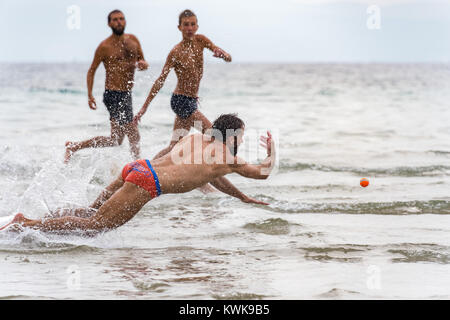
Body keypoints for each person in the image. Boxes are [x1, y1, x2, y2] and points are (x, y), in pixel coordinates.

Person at [10, 114, 275, 234]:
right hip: (147, 183)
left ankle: (37, 219)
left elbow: (211, 177)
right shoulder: (228, 157)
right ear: (233, 135)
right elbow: (263, 172)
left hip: (138, 167)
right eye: (240, 135)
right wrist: (271, 151)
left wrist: (242, 198)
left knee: (90, 212)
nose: (241, 139)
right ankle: (26, 225)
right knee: (96, 226)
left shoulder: (193, 139)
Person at [133, 9, 232, 160]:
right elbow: (160, 80)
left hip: (191, 100)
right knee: (215, 136)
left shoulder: (201, 40)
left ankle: (147, 167)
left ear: (197, 26)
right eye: (186, 25)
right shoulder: (175, 52)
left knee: (174, 146)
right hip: (181, 101)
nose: (189, 28)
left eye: (192, 24)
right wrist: (143, 108)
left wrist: (223, 55)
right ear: (179, 27)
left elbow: (228, 58)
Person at [64, 10, 149, 163]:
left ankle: (74, 146)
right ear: (109, 23)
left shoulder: (133, 40)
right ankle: (138, 166)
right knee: (134, 133)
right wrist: (89, 95)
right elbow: (91, 71)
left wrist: (143, 64)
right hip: (113, 94)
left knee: (115, 140)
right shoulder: (104, 46)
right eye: (115, 20)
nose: (119, 22)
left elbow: (142, 62)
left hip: (127, 94)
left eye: (122, 19)